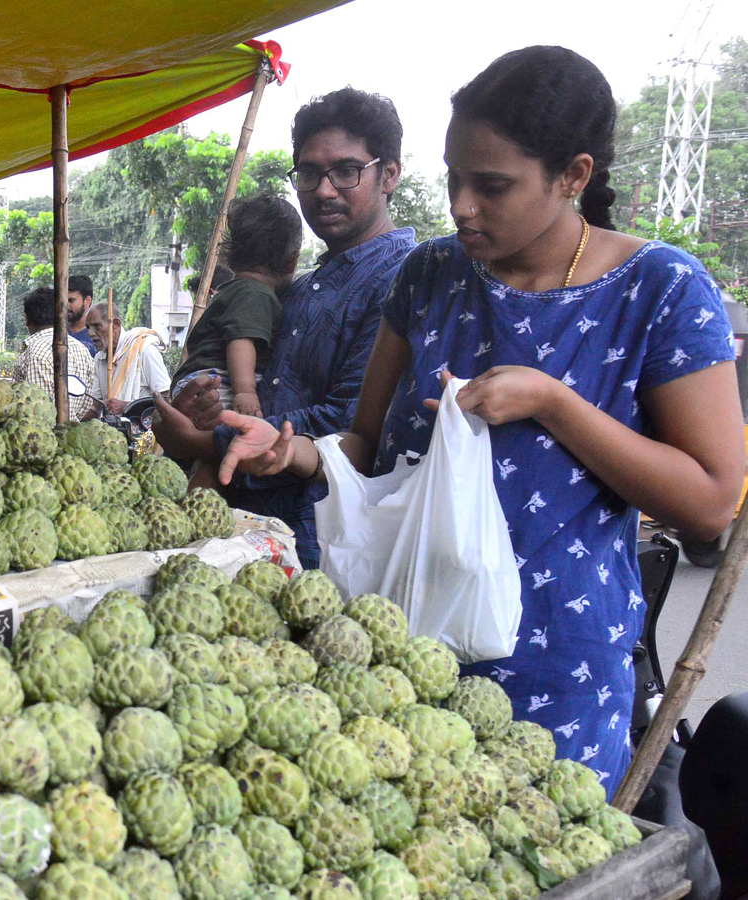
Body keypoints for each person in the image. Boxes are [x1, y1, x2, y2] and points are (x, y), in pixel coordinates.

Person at [205, 46, 745, 791]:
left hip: (555, 670)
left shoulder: (662, 290)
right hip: (400, 651)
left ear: (573, 176)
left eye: (491, 185)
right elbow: (365, 445)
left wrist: (553, 403)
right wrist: (291, 453)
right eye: (454, 176)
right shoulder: (427, 275)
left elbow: (711, 500)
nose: (461, 204)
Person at [156, 87, 418, 569]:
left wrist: (202, 442)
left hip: (329, 555)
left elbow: (353, 423)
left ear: (389, 175)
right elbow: (255, 388)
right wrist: (197, 409)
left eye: (346, 171)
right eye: (310, 173)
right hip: (250, 542)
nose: (323, 189)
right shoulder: (301, 288)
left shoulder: (406, 278)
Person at [171, 195, 303, 417]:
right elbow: (240, 341)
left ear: (230, 257)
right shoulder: (256, 294)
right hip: (220, 383)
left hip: (197, 380)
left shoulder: (232, 291)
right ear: (292, 261)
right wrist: (245, 392)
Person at [13, 286, 95, 421]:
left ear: (27, 319)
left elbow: (36, 412)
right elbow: (86, 404)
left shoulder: (35, 353)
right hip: (71, 433)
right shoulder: (82, 350)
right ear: (61, 315)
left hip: (39, 437)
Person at [85, 302, 170, 416]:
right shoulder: (99, 359)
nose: (90, 333)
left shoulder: (144, 349)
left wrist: (126, 406)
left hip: (142, 430)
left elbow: (166, 398)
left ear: (116, 324)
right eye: (88, 327)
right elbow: (95, 405)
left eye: (97, 326)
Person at [67, 274, 98, 356]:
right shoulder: (56, 333)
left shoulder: (99, 335)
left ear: (87, 301)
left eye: (71, 300)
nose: (66, 305)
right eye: (63, 300)